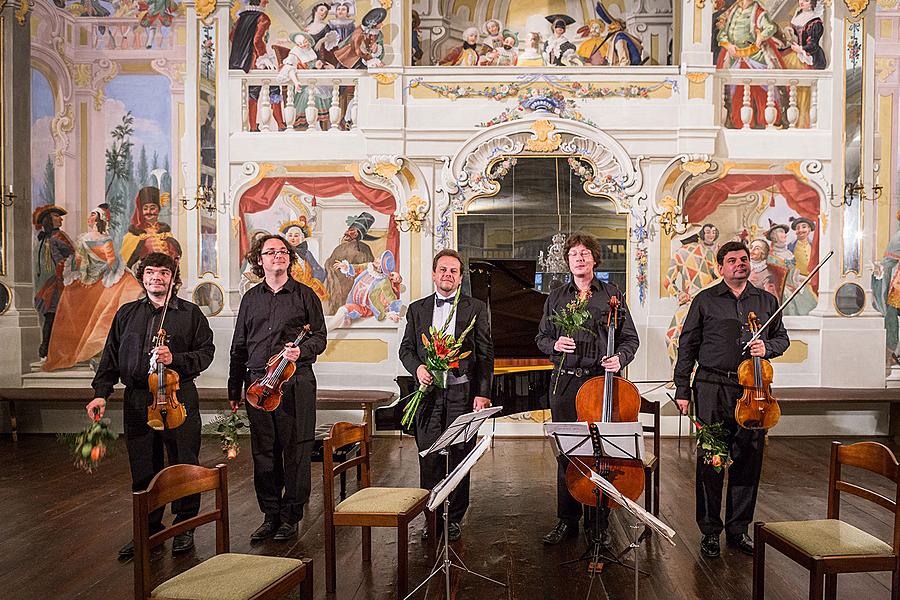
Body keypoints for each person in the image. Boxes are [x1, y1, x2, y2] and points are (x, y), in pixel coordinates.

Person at [85, 252, 215, 560]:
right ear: (143, 277)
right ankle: (150, 530)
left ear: (173, 278)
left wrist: (177, 360)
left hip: (177, 394)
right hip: (138, 398)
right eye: (151, 272)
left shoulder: (190, 313)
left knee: (184, 462)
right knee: (143, 466)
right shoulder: (127, 314)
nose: (156, 277)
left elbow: (206, 352)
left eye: (163, 273)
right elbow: (111, 357)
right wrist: (101, 393)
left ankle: (185, 526)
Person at [673, 240, 789, 558]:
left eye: (744, 259)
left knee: (749, 460)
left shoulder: (766, 300)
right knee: (712, 460)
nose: (740, 263)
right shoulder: (705, 300)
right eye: (733, 260)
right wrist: (682, 389)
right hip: (711, 387)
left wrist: (768, 348)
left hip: (753, 391)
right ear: (720, 267)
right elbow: (688, 346)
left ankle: (738, 529)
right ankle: (710, 531)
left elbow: (782, 338)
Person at [535, 233, 640, 546]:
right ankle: (567, 520)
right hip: (566, 383)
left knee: (600, 453)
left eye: (584, 254)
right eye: (573, 255)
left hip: (598, 382)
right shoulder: (556, 296)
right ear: (567, 261)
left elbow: (630, 339)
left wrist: (619, 358)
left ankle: (599, 524)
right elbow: (540, 338)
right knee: (567, 454)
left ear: (595, 259)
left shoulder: (612, 294)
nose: (579, 259)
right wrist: (554, 344)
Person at [229, 234, 327, 542]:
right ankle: (270, 514)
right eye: (270, 252)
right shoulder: (250, 299)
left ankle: (290, 516)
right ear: (260, 260)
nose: (278, 256)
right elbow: (239, 346)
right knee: (263, 452)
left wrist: (302, 351)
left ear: (290, 258)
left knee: (296, 449)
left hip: (295, 383)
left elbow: (320, 337)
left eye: (283, 252)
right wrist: (235, 389)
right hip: (258, 384)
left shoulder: (305, 295)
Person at [399, 249, 493, 542]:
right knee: (428, 456)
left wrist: (482, 394)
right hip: (427, 394)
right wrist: (418, 369)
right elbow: (406, 349)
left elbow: (486, 354)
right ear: (434, 274)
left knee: (459, 456)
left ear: (461, 277)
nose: (447, 275)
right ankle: (431, 516)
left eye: (453, 271)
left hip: (461, 394)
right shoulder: (417, 309)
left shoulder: (475, 307)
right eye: (443, 270)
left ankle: (453, 519)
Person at [43, 204, 143, 371]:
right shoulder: (92, 238)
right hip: (94, 277)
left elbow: (102, 261)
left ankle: (103, 352)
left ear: (97, 219)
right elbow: (88, 260)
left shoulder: (97, 238)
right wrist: (88, 275)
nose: (89, 217)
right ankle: (91, 352)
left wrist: (95, 273)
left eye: (92, 215)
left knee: (114, 305)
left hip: (100, 277)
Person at [716, 0, 784, 128]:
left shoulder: (758, 11)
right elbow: (722, 35)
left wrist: (761, 36)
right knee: (736, 93)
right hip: (735, 58)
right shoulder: (732, 11)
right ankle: (739, 124)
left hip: (755, 57)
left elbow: (771, 27)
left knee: (762, 91)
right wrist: (728, 45)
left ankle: (770, 122)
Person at [663, 223, 720, 363]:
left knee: (671, 337)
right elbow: (719, 278)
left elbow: (667, 283)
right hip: (709, 301)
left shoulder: (678, 254)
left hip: (689, 302)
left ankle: (676, 373)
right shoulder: (707, 252)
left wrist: (680, 294)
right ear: (696, 236)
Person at [229, 0, 287, 132]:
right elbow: (257, 40)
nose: (267, 2)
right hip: (257, 61)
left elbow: (232, 37)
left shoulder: (241, 17)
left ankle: (253, 127)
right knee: (274, 88)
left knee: (252, 93)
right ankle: (280, 124)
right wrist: (263, 56)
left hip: (241, 62)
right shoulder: (263, 17)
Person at [32, 204, 75, 359]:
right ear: (48, 220)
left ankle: (49, 348)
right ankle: (48, 349)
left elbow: (73, 256)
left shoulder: (59, 236)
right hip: (48, 283)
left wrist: (65, 268)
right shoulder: (45, 239)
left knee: (54, 315)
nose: (60, 219)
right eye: (56, 216)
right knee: (51, 314)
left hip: (58, 282)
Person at [323, 212, 377, 314]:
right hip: (340, 286)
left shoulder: (365, 249)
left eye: (352, 231)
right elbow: (331, 266)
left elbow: (370, 268)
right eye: (349, 230)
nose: (346, 233)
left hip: (360, 286)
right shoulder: (340, 249)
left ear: (358, 234)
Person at [120, 186, 182, 268]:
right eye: (145, 209)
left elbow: (175, 257)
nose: (149, 212)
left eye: (152, 208)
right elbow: (127, 263)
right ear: (141, 211)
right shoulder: (134, 235)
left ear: (158, 210)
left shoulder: (165, 232)